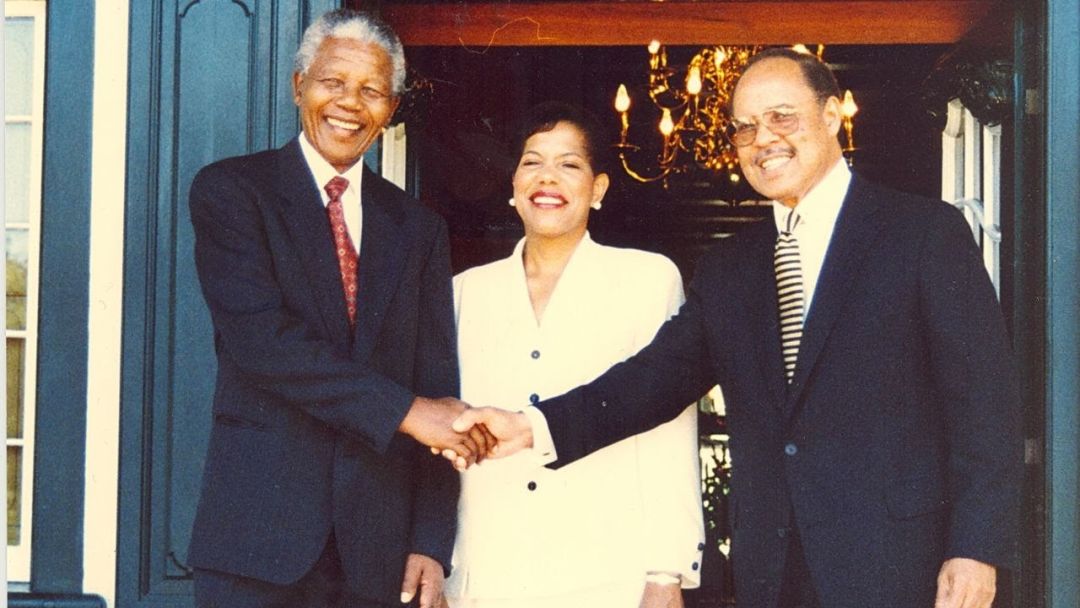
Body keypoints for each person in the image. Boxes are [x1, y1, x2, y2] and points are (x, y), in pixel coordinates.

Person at [453, 48, 1022, 608]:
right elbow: (651, 381)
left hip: (899, 564)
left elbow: (984, 405)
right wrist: (531, 426)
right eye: (744, 128)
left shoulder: (921, 233)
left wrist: (976, 548)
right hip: (771, 573)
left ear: (832, 115)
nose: (762, 140)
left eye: (782, 117)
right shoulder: (731, 267)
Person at [187, 9, 486, 608]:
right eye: (333, 82)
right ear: (299, 86)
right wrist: (406, 412)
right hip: (255, 543)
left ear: (392, 108)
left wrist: (430, 539)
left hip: (376, 554)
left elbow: (436, 383)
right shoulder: (233, 191)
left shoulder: (418, 228)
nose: (351, 103)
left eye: (372, 90)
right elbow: (263, 345)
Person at [443, 102, 704, 608]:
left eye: (569, 164)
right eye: (532, 161)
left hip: (607, 574)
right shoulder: (464, 292)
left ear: (598, 188)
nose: (548, 178)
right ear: (513, 186)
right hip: (487, 571)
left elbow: (668, 429)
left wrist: (666, 573)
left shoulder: (647, 280)